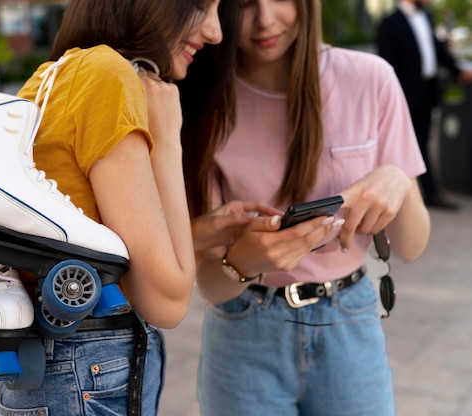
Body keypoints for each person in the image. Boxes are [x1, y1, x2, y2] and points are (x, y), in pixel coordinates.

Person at [178, 0, 431, 415]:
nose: (264, 20)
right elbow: (210, 282)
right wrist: (243, 261)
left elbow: (412, 246)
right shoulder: (206, 100)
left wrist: (397, 179)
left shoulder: (370, 79)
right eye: (243, 4)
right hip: (244, 331)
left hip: (349, 323)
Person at [0, 0, 224, 414]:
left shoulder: (52, 76)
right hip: (84, 375)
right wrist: (169, 138)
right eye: (202, 6)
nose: (215, 31)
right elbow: (167, 301)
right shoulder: (107, 77)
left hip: (57, 371)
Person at [377, 0, 472, 210]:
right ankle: (405, 198)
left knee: (423, 143)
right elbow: (387, 66)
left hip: (426, 92)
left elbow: (436, 50)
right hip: (404, 97)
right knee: (402, 147)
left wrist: (458, 71)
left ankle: (427, 194)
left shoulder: (426, 18)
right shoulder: (390, 23)